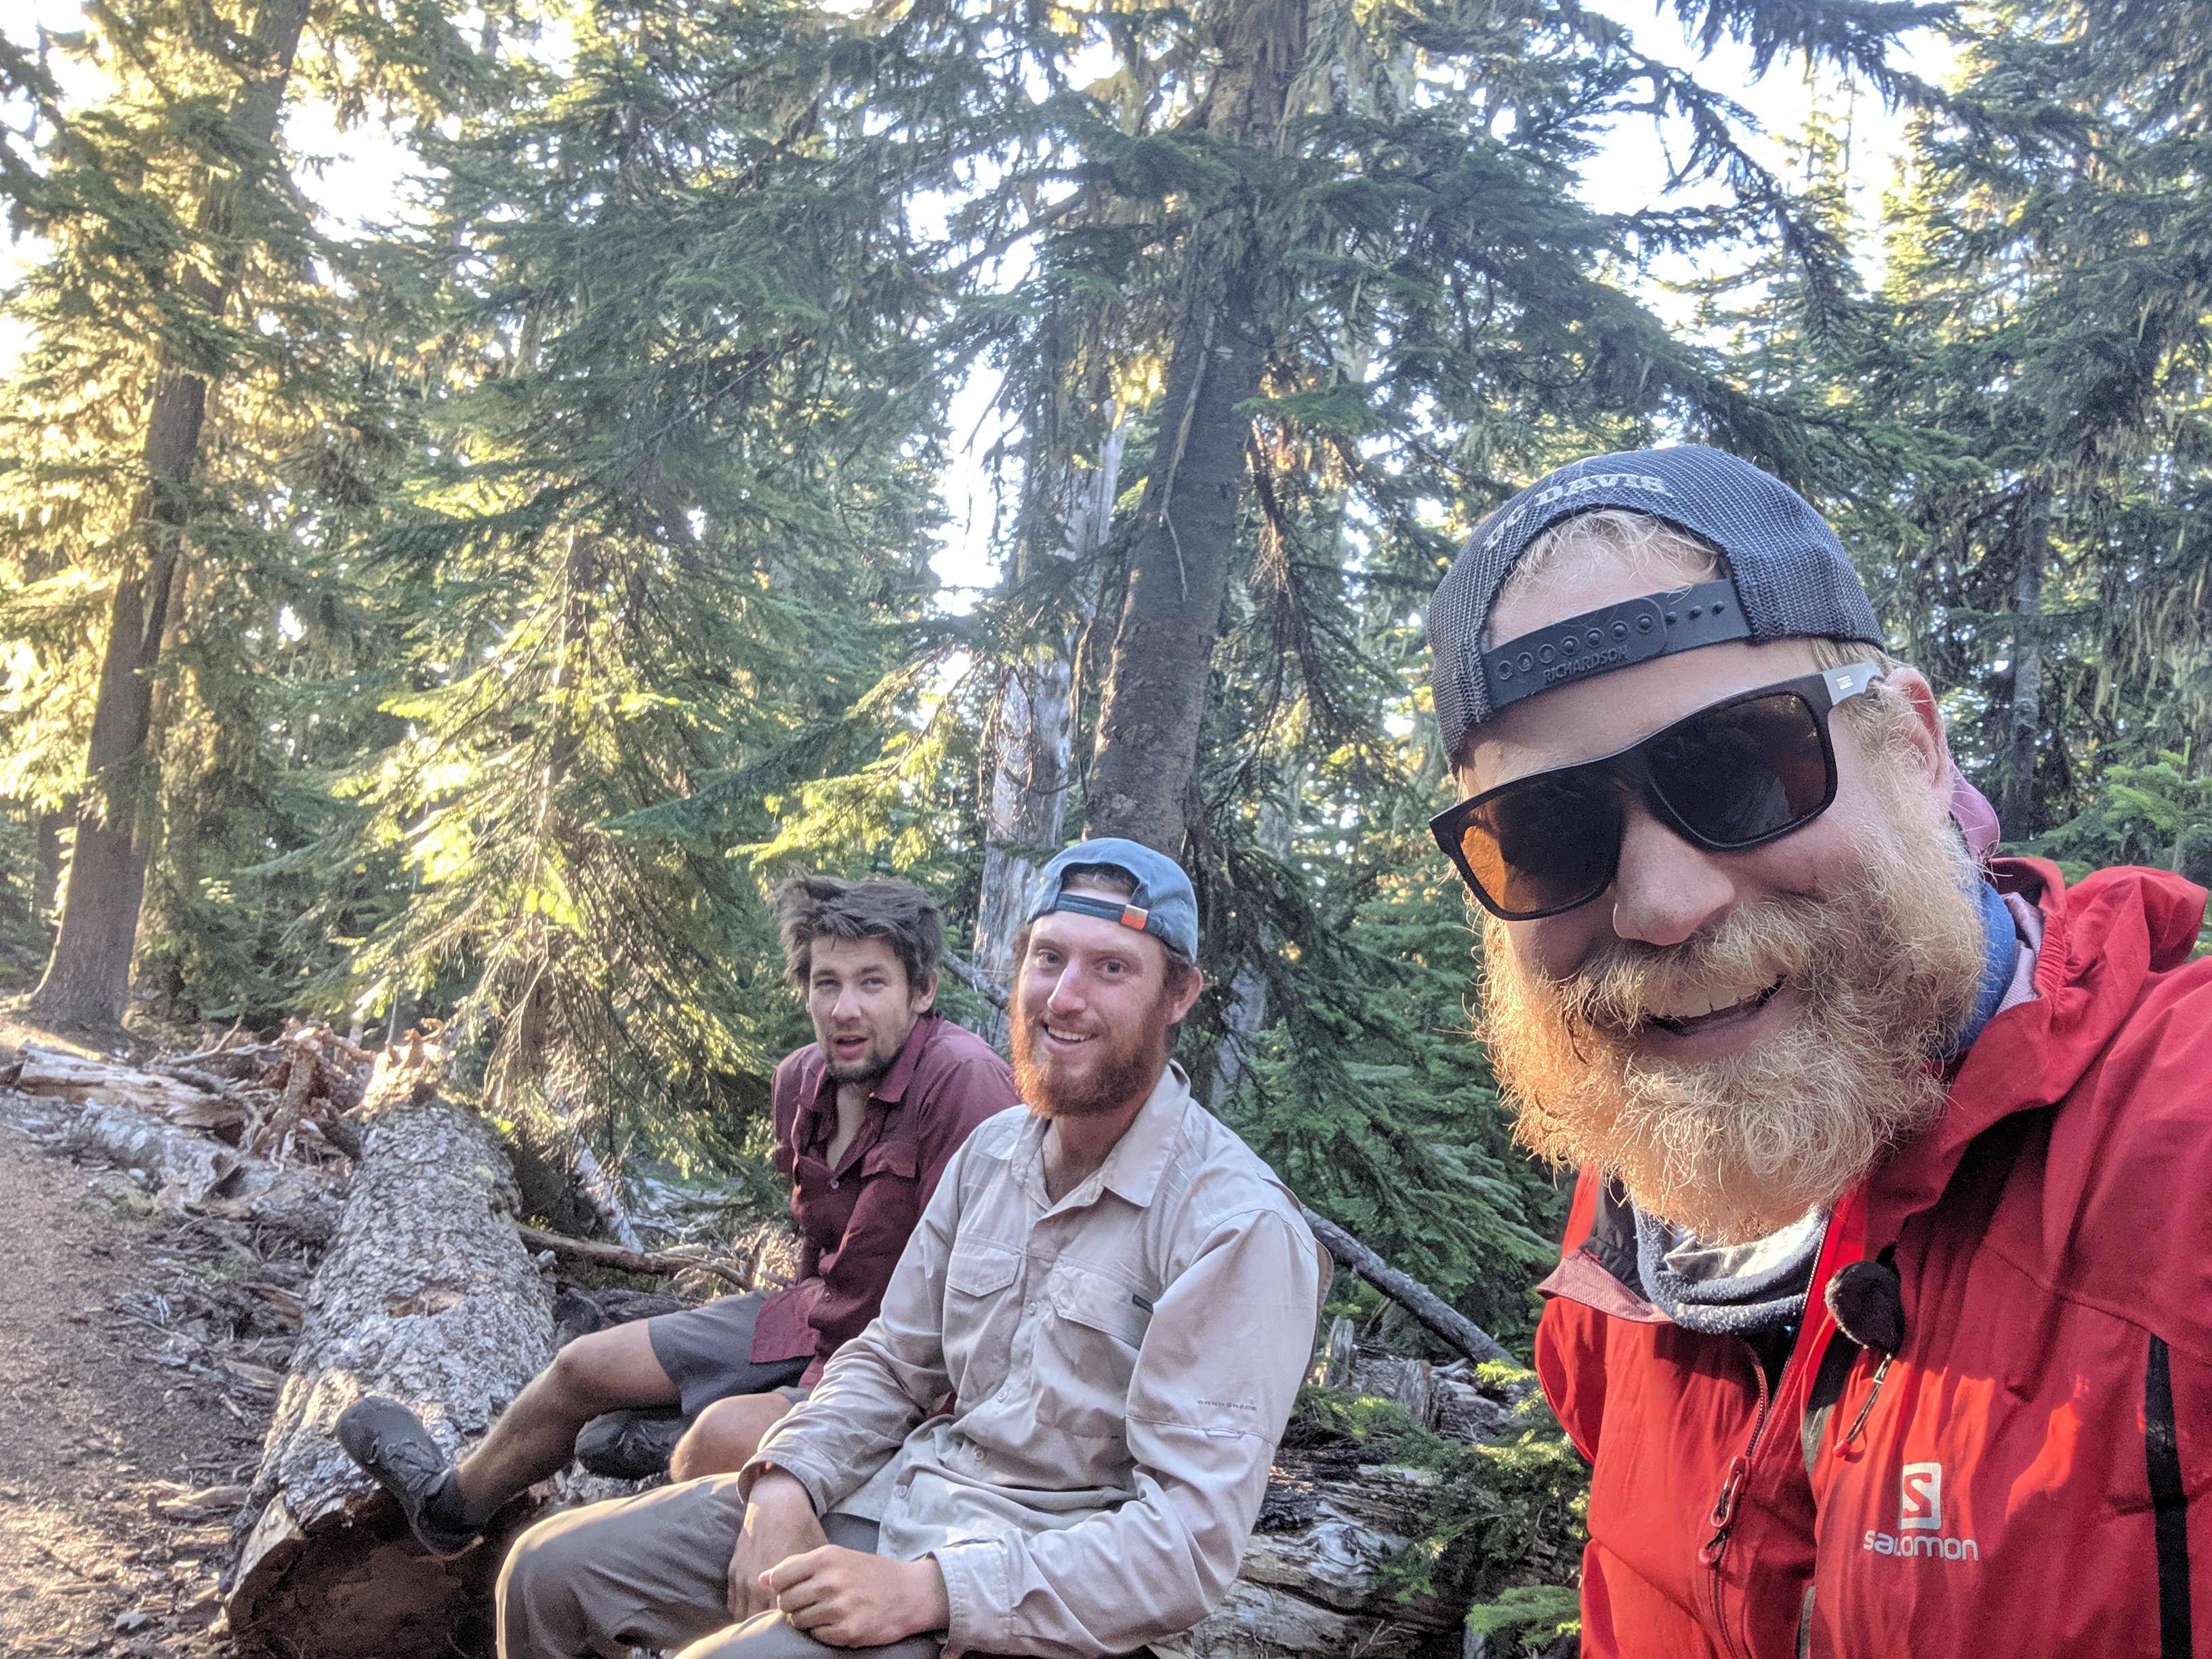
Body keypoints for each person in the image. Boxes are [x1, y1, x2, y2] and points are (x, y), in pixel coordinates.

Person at [1424, 444, 2212, 1658]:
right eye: (1544, 829)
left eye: (1738, 767)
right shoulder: (1631, 1215)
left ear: (1913, 747)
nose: (1663, 903)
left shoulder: (2181, 1141)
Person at [496, 838, 1329, 1659]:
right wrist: (788, 1477)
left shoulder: (1236, 1226)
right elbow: (894, 1359)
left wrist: (929, 1592)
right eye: (1048, 959)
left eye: (1111, 969)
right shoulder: (995, 1153)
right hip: (896, 1501)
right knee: (546, 1571)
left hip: (1026, 1593)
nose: (1065, 997)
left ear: (1179, 995)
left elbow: (1186, 1548)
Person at [337, 874, 1017, 1558]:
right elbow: (821, 1245)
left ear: (921, 991)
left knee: (717, 1440)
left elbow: (978, 1308)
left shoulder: (964, 1083)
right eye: (826, 983)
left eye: (872, 983)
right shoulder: (802, 1082)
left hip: (903, 1371)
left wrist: (813, 1400)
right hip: (818, 1314)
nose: (845, 1008)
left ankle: (663, 1464)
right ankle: (449, 1511)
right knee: (581, 1367)